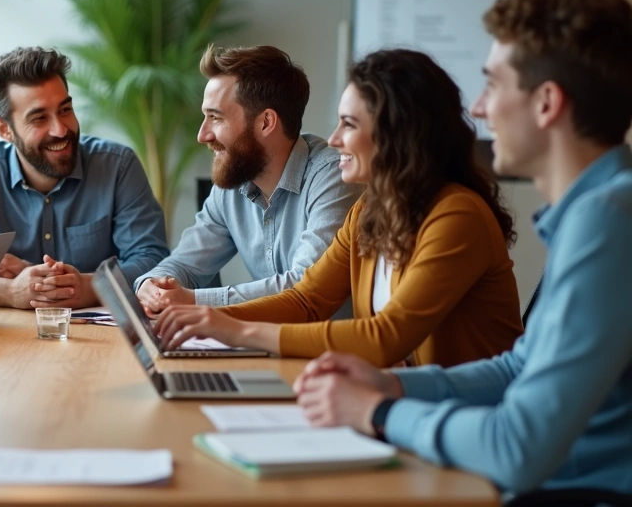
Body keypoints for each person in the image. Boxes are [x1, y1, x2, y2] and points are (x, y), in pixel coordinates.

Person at [293, 0, 632, 496]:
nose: (478, 107)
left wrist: (379, 411)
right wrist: (393, 384)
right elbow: (519, 366)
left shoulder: (609, 220)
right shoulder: (598, 210)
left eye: (492, 85)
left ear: (546, 103)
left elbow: (515, 449)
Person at [156, 48, 524, 368]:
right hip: (399, 397)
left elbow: (385, 337)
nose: (333, 139)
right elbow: (307, 300)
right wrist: (203, 316)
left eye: (348, 124)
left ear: (395, 134)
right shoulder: (368, 211)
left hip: (464, 413)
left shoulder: (457, 215)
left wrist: (232, 328)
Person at [0, 46, 168, 310]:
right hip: (9, 333)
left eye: (65, 110)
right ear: (4, 129)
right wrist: (9, 291)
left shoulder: (117, 166)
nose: (60, 130)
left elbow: (152, 259)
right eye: (39, 118)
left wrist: (87, 286)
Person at [134, 45, 362, 313]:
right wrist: (152, 285)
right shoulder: (234, 180)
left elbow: (305, 285)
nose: (202, 135)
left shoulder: (335, 176)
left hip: (329, 339)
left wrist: (193, 300)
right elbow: (184, 264)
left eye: (215, 117)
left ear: (266, 123)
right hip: (264, 339)